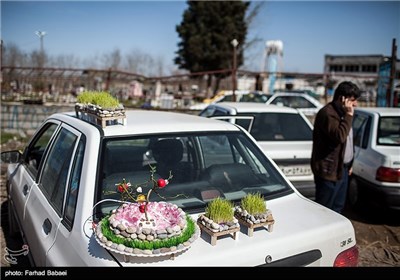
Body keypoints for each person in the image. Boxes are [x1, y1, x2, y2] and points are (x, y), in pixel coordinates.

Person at [311, 81, 360, 213]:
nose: (355, 104)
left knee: (338, 207)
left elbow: (349, 141)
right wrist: (349, 116)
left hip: (342, 170)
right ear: (342, 99)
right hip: (328, 172)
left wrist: (350, 163)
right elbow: (340, 136)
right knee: (325, 210)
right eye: (353, 100)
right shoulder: (328, 114)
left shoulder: (344, 113)